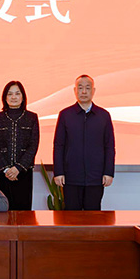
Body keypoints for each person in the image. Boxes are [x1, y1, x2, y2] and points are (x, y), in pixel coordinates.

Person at [53, 75, 115, 210]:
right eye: (80, 88)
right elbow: (59, 146)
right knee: (71, 217)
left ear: (94, 90)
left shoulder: (103, 115)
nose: (84, 91)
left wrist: (108, 172)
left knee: (94, 217)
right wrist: (58, 172)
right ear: (75, 90)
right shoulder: (65, 114)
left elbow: (109, 146)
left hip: (96, 177)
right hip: (71, 177)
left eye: (88, 88)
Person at [0, 81, 40, 210]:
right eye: (10, 94)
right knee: (2, 210)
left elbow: (33, 145)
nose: (14, 97)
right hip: (2, 173)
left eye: (17, 93)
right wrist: (6, 169)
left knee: (23, 211)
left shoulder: (32, 117)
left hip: (23, 172)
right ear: (5, 97)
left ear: (23, 97)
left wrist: (18, 168)